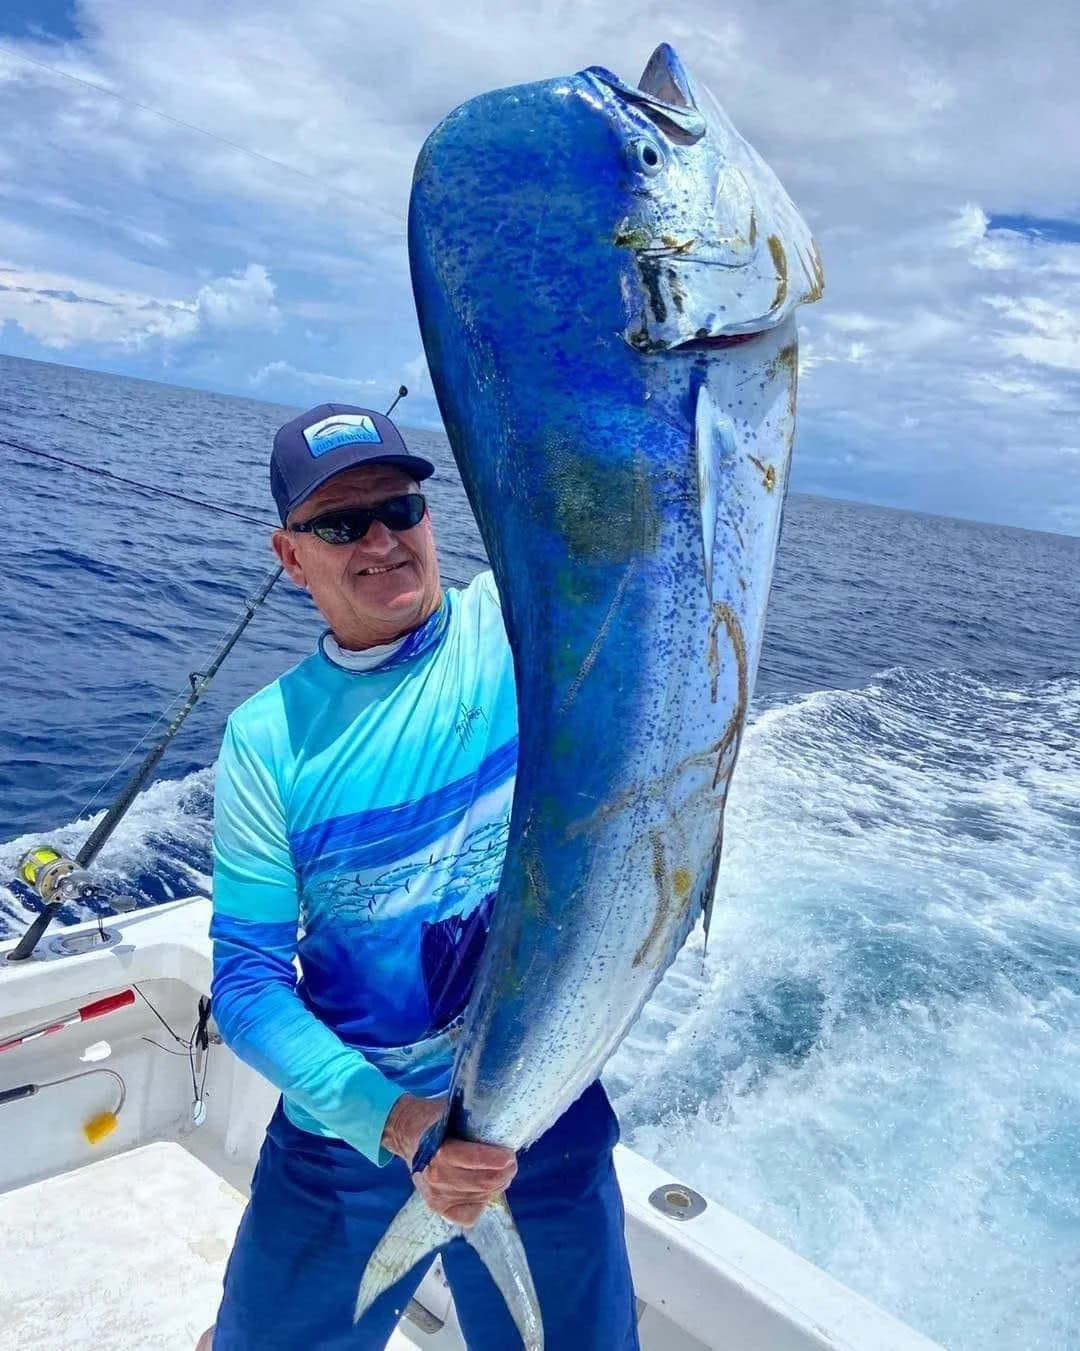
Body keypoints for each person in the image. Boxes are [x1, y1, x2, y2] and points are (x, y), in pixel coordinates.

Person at [199, 404, 639, 1350]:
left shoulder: (518, 626)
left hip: (541, 1110)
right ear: (290, 555)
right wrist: (397, 1121)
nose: (381, 540)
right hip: (351, 1127)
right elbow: (246, 981)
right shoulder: (267, 741)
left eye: (399, 509)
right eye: (339, 524)